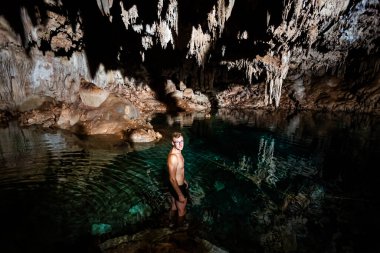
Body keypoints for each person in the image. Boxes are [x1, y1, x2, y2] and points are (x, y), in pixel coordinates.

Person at [167, 131, 189, 227]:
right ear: (172, 143)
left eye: (182, 141)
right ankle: (180, 229)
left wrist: (183, 180)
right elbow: (172, 178)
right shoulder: (173, 157)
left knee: (174, 206)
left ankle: (170, 221)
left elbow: (178, 171)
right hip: (177, 187)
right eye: (177, 142)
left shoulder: (178, 152)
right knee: (182, 210)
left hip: (177, 185)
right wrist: (180, 194)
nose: (180, 144)